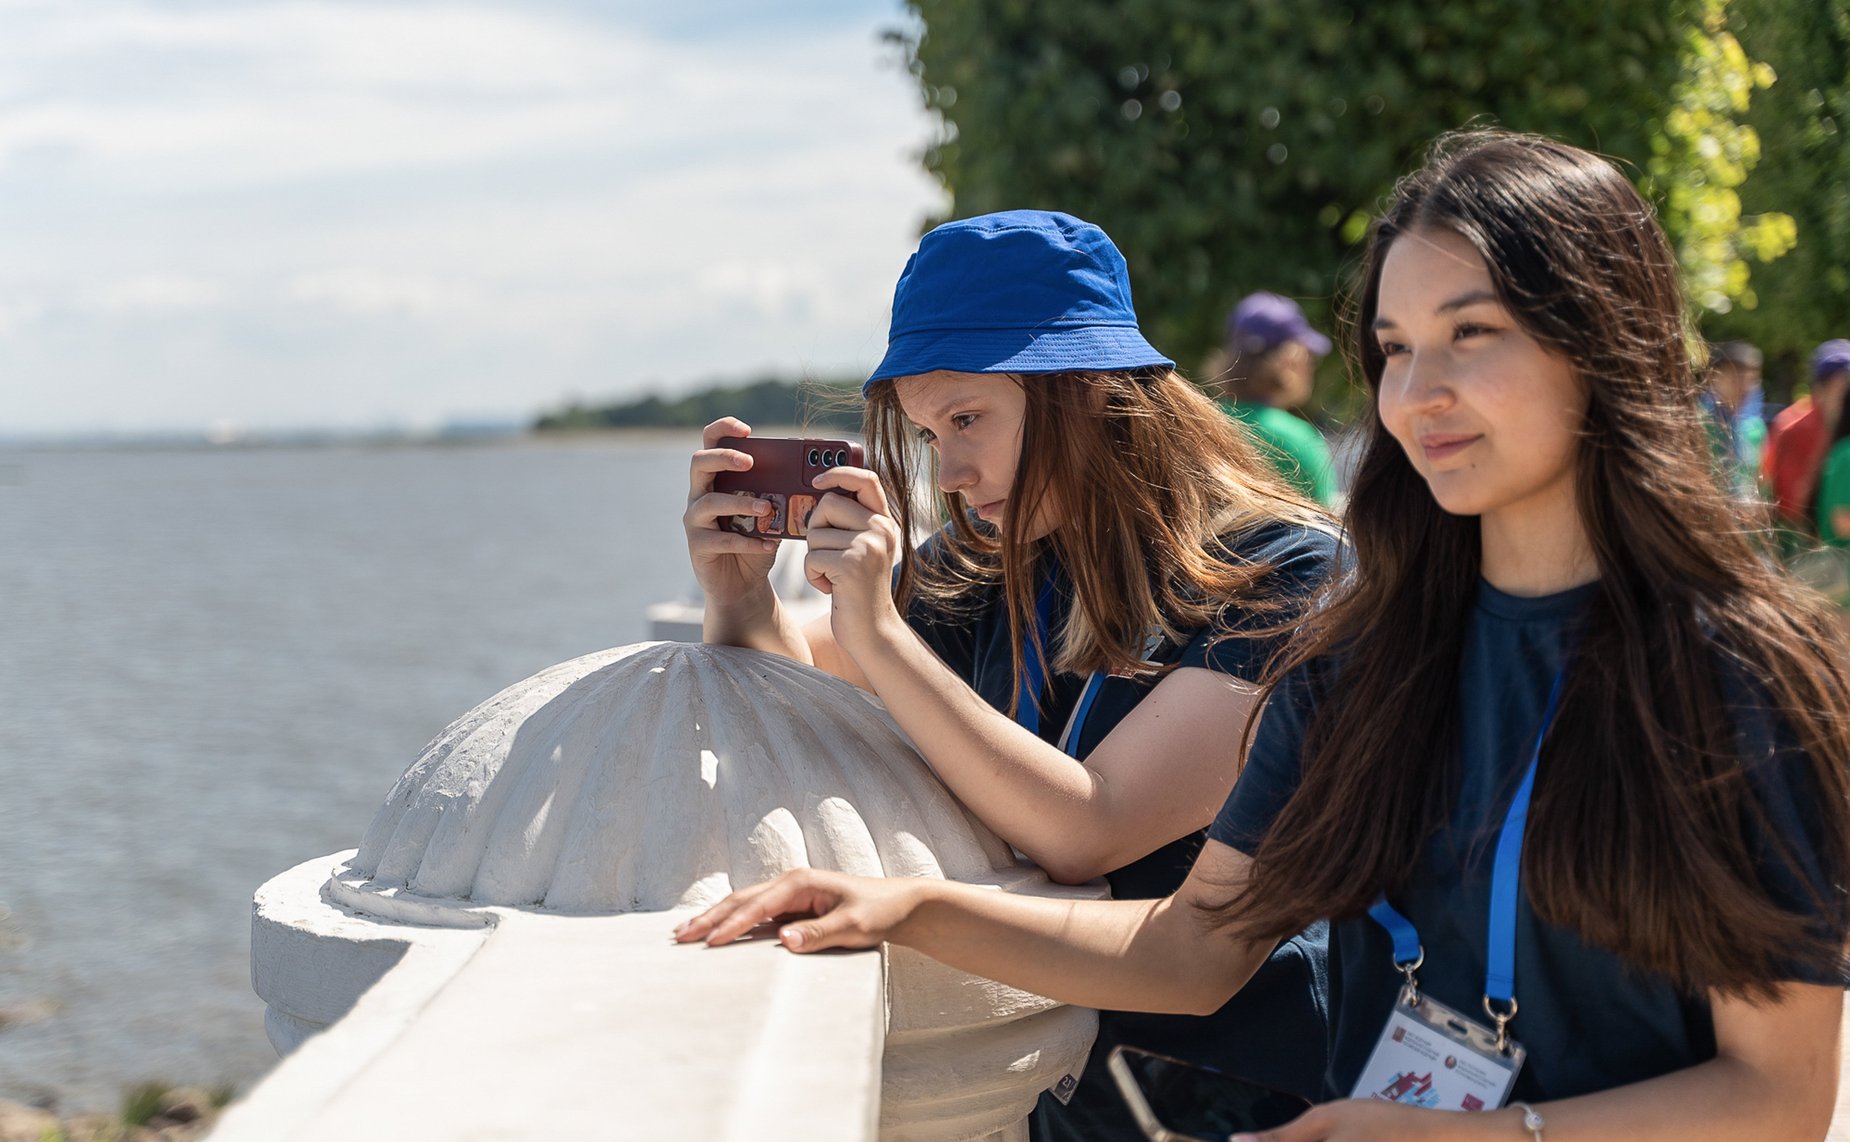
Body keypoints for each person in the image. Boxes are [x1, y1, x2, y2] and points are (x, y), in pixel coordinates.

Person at [680, 133, 1850, 1141]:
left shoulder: (1741, 675)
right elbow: (1195, 945)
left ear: (1600, 348)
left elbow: (1783, 1096)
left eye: (1469, 332)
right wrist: (905, 904)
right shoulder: (1359, 648)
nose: (1415, 392)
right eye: (1391, 348)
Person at [682, 209, 1338, 1138]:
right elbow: (803, 690)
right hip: (1066, 1091)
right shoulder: (988, 555)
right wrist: (741, 600)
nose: (948, 471)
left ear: (1090, 389)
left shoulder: (1286, 570)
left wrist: (877, 627)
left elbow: (1089, 827)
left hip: (1259, 1095)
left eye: (968, 419)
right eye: (926, 433)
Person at [1214, 293, 1340, 507]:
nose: (1311, 366)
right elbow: (1329, 528)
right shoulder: (1299, 440)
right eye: (1309, 356)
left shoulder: (1203, 423)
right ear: (1289, 360)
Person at [1778, 340, 1850, 539]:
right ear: (1820, 392)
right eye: (1842, 389)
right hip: (1803, 545)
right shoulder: (1793, 430)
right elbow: (1790, 505)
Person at [1701, 340, 1768, 501]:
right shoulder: (1698, 422)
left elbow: (1760, 479)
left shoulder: (1755, 429)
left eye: (1751, 380)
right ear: (1713, 378)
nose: (1744, 388)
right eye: (1735, 378)